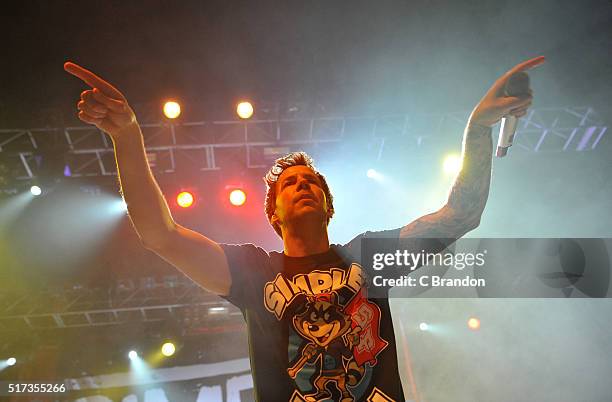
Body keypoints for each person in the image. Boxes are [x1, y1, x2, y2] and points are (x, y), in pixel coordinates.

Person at [65, 56, 544, 402]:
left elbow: (460, 215)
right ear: (273, 213)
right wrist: (127, 136)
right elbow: (159, 234)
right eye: (290, 183)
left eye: (312, 181)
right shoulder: (251, 271)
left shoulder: (368, 256)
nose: (302, 186)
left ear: (328, 205)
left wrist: (476, 129)